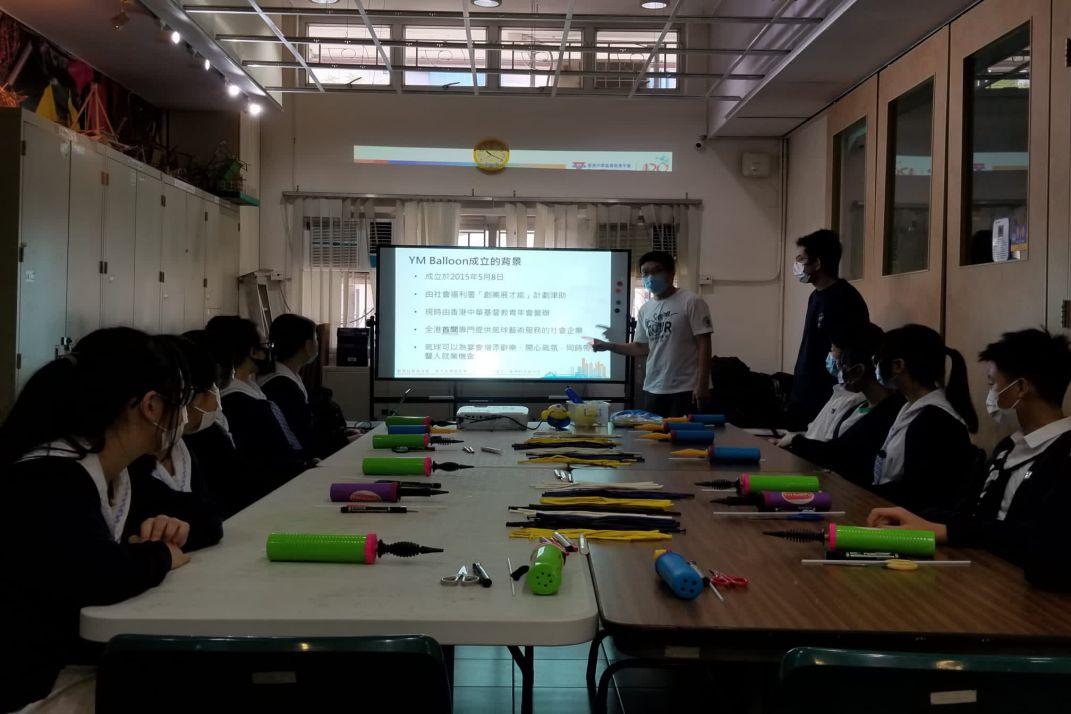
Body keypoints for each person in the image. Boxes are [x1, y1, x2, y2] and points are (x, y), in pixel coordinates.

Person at [0, 328, 223, 713]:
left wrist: (173, 528)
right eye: (182, 401)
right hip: (30, 687)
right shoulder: (49, 478)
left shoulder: (117, 472)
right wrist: (161, 555)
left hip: (65, 666)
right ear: (151, 406)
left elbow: (205, 520)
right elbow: (99, 574)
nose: (185, 416)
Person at [869, 329, 1071, 590]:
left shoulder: (1063, 455)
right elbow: (967, 511)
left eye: (993, 384)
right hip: (977, 573)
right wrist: (918, 518)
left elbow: (1037, 541)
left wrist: (947, 531)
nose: (991, 395)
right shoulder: (1009, 446)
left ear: (1021, 388)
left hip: (1021, 589)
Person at [871, 324, 980, 510]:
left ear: (898, 366)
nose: (876, 367)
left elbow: (918, 492)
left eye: (878, 361)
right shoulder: (909, 406)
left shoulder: (936, 421)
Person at [592, 251, 713, 417]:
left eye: (656, 271)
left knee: (681, 433)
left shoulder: (691, 301)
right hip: (653, 387)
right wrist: (609, 346)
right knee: (653, 433)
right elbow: (640, 347)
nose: (650, 277)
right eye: (645, 273)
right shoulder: (646, 309)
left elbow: (704, 343)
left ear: (671, 273)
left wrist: (702, 384)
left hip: (686, 388)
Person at [782, 323, 906, 484]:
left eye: (843, 365)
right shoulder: (859, 407)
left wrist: (797, 441)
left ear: (858, 370)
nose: (840, 370)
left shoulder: (888, 414)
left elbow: (842, 456)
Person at [205, 316, 309, 488]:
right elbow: (268, 456)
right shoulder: (239, 402)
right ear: (253, 352)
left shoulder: (251, 388)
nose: (269, 351)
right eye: (266, 345)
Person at [786, 229, 869, 430]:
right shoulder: (815, 296)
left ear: (817, 263)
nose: (797, 265)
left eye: (801, 259)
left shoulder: (845, 298)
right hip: (803, 392)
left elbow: (845, 353)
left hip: (826, 398)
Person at [260, 314, 351, 459]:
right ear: (308, 346)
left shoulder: (285, 377)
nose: (317, 343)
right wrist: (344, 442)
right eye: (316, 338)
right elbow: (305, 438)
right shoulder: (283, 387)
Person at [776, 328, 866, 447]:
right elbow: (815, 434)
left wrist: (795, 440)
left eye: (832, 350)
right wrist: (794, 437)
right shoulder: (839, 392)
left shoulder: (853, 400)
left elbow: (827, 446)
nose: (830, 357)